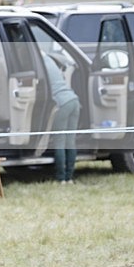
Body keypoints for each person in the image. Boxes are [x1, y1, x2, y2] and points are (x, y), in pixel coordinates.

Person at [43, 52, 80, 184]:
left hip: (61, 103)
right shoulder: (49, 60)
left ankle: (61, 178)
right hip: (73, 100)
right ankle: (69, 177)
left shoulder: (39, 63)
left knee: (59, 141)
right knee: (70, 141)